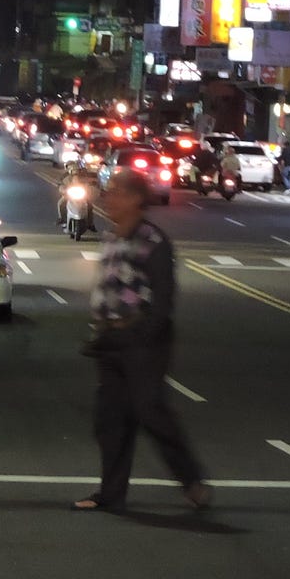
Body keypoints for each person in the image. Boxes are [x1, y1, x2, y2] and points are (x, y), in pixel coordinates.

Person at [74, 168, 210, 514]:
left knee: (150, 410)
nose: (107, 197)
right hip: (111, 340)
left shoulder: (153, 241)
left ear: (135, 199)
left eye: (115, 192)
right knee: (110, 420)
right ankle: (111, 494)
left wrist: (143, 336)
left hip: (142, 339)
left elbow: (163, 297)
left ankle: (191, 480)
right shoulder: (112, 237)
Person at [56, 161, 99, 233]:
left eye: (76, 169)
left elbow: (90, 183)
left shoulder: (83, 176)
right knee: (61, 203)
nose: (75, 171)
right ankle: (62, 219)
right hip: (69, 196)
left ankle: (90, 223)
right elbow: (60, 184)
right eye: (72, 169)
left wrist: (90, 188)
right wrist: (63, 189)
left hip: (82, 196)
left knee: (89, 206)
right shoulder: (65, 176)